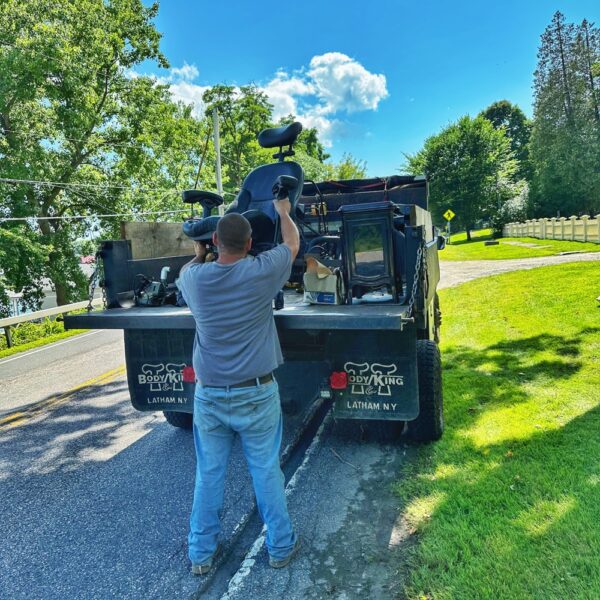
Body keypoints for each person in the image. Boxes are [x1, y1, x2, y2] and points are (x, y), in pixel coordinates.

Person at [177, 197, 301, 576]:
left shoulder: (193, 279)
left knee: (209, 473)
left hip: (210, 395)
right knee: (265, 470)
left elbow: (189, 267)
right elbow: (292, 245)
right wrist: (282, 212)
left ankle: (201, 555)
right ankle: (280, 548)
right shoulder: (263, 271)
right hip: (256, 392)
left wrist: (201, 253)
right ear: (250, 244)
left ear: (214, 240)